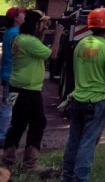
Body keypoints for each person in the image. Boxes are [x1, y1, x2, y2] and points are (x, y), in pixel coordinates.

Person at [2, 10, 63, 173]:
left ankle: (7, 162)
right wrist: (57, 35)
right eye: (41, 23)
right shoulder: (29, 42)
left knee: (17, 123)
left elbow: (38, 52)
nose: (44, 25)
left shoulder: (19, 39)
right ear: (34, 24)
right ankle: (30, 164)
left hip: (15, 87)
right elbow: (53, 55)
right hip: (28, 90)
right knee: (39, 122)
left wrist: (41, 34)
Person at [62, 8, 105, 182]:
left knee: (74, 141)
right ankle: (81, 179)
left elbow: (73, 72)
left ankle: (67, 177)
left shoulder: (80, 45)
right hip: (97, 102)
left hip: (77, 99)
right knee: (88, 143)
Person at [0, 7, 26, 148]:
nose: (24, 15)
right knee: (9, 107)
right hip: (12, 76)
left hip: (7, 75)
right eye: (22, 14)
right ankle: (3, 137)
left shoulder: (10, 32)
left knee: (7, 105)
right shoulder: (17, 34)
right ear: (16, 18)